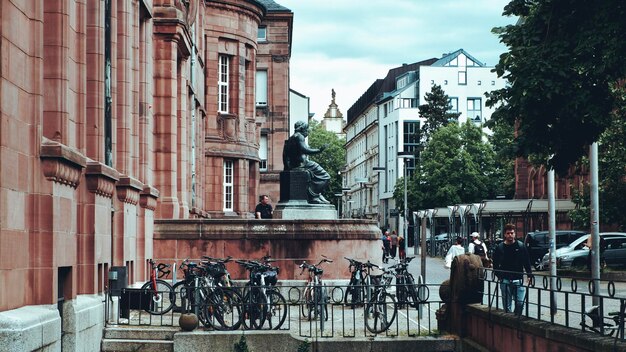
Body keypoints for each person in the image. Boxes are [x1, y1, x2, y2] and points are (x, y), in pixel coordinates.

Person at [282, 121, 331, 204]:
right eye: (307, 129)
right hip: (302, 164)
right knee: (326, 177)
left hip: (299, 164)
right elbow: (305, 150)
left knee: (318, 176)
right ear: (302, 129)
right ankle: (314, 195)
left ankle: (316, 194)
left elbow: (285, 155)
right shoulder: (299, 136)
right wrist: (319, 150)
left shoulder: (291, 138)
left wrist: (287, 167)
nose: (307, 132)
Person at [492, 223, 533, 316]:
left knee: (520, 303)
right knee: (507, 306)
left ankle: (516, 319)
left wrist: (529, 275)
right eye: (508, 233)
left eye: (512, 233)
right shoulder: (500, 248)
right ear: (505, 235)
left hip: (518, 279)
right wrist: (499, 276)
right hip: (505, 280)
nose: (510, 235)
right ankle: (509, 322)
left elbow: (526, 262)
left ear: (514, 234)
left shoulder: (521, 246)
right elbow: (495, 265)